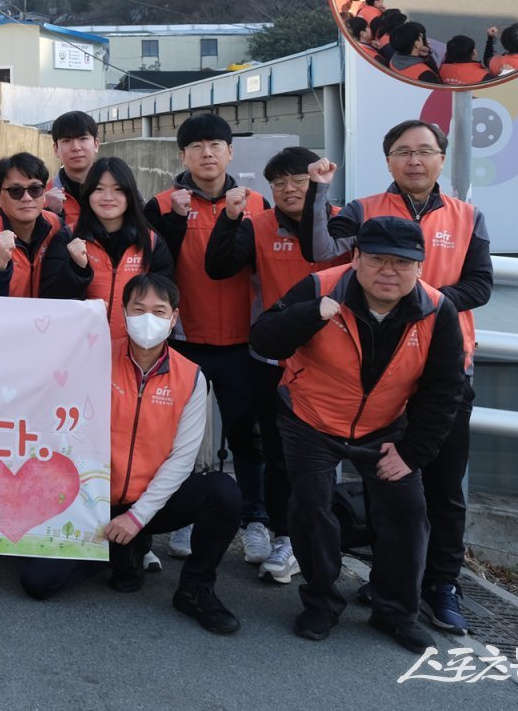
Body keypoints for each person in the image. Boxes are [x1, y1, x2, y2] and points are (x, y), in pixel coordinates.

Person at [299, 120, 492, 636]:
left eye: (425, 151)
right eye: (403, 152)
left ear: (441, 159)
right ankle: (389, 582)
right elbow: (320, 250)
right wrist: (320, 189)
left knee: (445, 486)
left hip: (442, 367)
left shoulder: (467, 217)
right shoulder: (363, 209)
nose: (414, 161)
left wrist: (417, 302)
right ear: (387, 160)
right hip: (374, 373)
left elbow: (480, 285)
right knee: (390, 487)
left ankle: (442, 586)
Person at [251, 217, 465, 652]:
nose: (389, 271)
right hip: (311, 418)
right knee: (310, 508)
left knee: (406, 513)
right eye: (377, 260)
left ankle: (396, 611)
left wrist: (411, 453)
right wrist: (312, 315)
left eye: (402, 263)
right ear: (356, 259)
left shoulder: (437, 310)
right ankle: (322, 601)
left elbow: (446, 391)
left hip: (386, 426)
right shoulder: (320, 288)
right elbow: (264, 340)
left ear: (420, 267)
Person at [20, 274, 242, 636]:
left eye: (159, 311)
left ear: (174, 318)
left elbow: (181, 460)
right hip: (91, 501)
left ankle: (194, 589)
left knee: (223, 491)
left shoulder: (191, 377)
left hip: (151, 504)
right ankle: (118, 552)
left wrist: (136, 519)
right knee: (37, 582)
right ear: (123, 313)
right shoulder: (93, 358)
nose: (148, 319)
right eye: (138, 309)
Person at [205, 146, 349, 585]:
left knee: (320, 454)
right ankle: (279, 532)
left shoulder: (343, 220)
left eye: (298, 180)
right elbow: (219, 267)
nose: (289, 189)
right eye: (279, 183)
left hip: (331, 360)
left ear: (317, 182)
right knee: (274, 447)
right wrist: (229, 220)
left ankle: (309, 537)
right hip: (272, 357)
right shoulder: (259, 224)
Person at [144, 113, 268, 564]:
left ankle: (256, 518)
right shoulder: (162, 205)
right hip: (181, 341)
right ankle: (183, 516)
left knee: (246, 435)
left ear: (231, 151)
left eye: (216, 144)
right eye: (196, 146)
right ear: (182, 155)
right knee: (174, 438)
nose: (207, 153)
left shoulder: (256, 204)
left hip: (241, 342)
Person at [39, 156, 173, 344]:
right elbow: (50, 302)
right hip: (78, 351)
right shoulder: (67, 239)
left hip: (134, 353)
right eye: (99, 189)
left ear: (130, 195)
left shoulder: (151, 242)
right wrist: (76, 269)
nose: (107, 198)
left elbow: (163, 303)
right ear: (88, 194)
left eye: (118, 189)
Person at [0, 153, 67, 299]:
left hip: (47, 320)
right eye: (15, 191)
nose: (27, 198)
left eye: (35, 189)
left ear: (44, 193)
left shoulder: (57, 224)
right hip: (3, 320)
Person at [44, 110, 100, 228]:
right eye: (66, 141)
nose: (76, 148)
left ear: (96, 144)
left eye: (83, 139)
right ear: (56, 149)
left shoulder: (120, 190)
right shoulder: (43, 197)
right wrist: (52, 212)